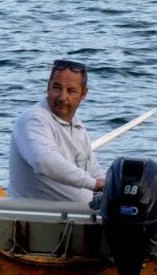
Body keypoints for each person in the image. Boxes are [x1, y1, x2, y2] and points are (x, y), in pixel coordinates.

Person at [7, 58, 105, 203]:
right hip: (41, 219)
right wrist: (94, 185)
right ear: (48, 87)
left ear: (83, 94)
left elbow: (95, 174)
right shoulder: (34, 119)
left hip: (76, 216)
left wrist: (109, 187)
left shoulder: (78, 126)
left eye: (71, 91)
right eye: (57, 88)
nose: (62, 97)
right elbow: (43, 162)